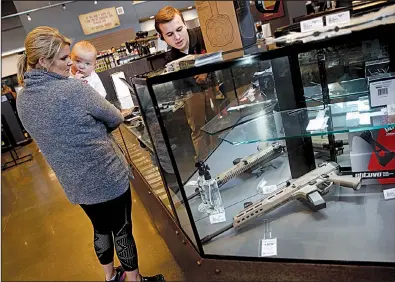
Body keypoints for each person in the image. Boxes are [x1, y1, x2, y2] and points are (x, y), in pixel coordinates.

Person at [16, 26, 164, 282]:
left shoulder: (23, 99)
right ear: (43, 61)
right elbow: (115, 117)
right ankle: (134, 279)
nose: (69, 64)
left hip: (75, 183)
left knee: (100, 229)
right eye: (64, 58)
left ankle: (110, 277)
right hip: (106, 175)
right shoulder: (74, 90)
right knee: (122, 229)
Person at [154, 6, 220, 162]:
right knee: (197, 130)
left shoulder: (205, 35)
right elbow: (180, 90)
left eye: (179, 29)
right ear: (162, 37)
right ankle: (205, 164)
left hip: (219, 88)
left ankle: (221, 155)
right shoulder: (170, 58)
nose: (177, 37)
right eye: (169, 34)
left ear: (185, 24)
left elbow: (223, 55)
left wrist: (207, 71)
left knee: (219, 124)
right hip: (193, 95)